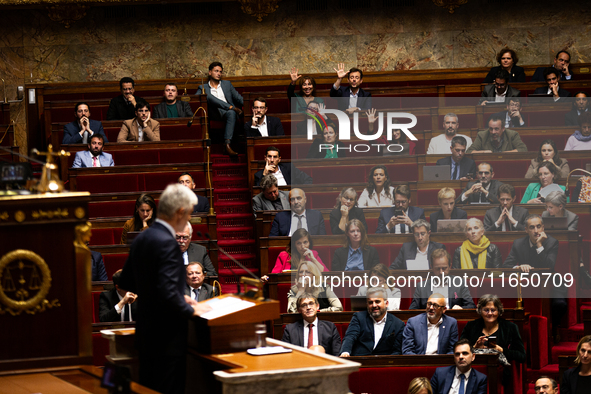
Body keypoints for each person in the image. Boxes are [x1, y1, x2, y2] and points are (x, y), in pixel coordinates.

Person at [119, 184, 211, 394]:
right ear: (179, 212)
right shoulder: (168, 243)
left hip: (146, 334)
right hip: (167, 339)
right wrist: (192, 309)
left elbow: (126, 281)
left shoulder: (143, 237)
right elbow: (168, 296)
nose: (189, 218)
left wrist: (168, 295)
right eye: (188, 213)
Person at [460, 295, 526, 389]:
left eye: (493, 310)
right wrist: (475, 347)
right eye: (486, 310)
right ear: (480, 311)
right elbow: (459, 351)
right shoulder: (471, 326)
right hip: (473, 372)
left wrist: (501, 350)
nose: (490, 313)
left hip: (500, 375)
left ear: (499, 311)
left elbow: (522, 356)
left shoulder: (510, 327)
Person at [339, 287, 405, 357]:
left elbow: (397, 351)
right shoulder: (358, 317)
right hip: (360, 360)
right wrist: (345, 352)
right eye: (370, 302)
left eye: (377, 301)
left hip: (384, 363)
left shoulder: (398, 324)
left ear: (386, 303)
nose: (374, 305)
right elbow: (350, 336)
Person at [196, 62, 244, 156]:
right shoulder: (203, 87)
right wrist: (232, 107)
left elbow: (238, 98)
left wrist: (252, 104)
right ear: (210, 72)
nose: (219, 74)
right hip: (215, 113)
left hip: (229, 113)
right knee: (207, 95)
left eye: (220, 72)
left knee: (231, 113)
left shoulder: (227, 84)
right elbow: (196, 100)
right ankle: (231, 108)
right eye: (216, 71)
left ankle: (227, 144)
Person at [409, 249, 476, 310]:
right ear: (432, 267)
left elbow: (471, 306)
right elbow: (412, 309)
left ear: (450, 266)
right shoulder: (421, 286)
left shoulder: (460, 283)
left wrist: (461, 308)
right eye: (438, 269)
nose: (441, 272)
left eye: (444, 268)